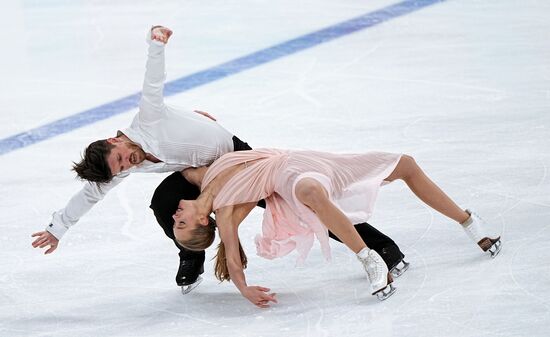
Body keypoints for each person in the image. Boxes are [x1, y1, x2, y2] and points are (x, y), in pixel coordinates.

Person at [30, 25, 408, 294]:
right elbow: (92, 193)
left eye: (123, 157)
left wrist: (156, 42)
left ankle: (379, 248)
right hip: (198, 174)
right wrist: (58, 228)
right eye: (124, 168)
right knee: (165, 201)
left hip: (238, 159)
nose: (130, 163)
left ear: (114, 139)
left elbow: (153, 82)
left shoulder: (147, 117)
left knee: (298, 205)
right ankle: (191, 255)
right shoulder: (121, 164)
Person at [173, 149, 502, 307]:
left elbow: (172, 153)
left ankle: (469, 222)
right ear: (204, 221)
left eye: (176, 222)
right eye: (181, 224)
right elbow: (232, 259)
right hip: (288, 180)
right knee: (310, 192)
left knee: (405, 164)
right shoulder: (227, 214)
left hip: (306, 158)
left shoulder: (203, 176)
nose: (175, 216)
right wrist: (243, 289)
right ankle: (369, 259)